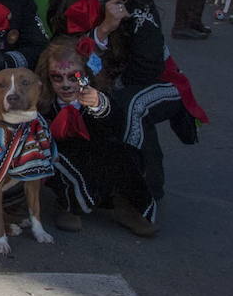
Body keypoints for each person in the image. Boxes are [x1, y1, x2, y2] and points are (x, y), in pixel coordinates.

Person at [47, 0, 208, 200]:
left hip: (156, 81)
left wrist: (108, 91)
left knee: (128, 105)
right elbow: (61, 46)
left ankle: (142, 194)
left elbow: (149, 63)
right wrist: (104, 29)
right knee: (59, 95)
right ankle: (79, 187)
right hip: (94, 77)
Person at [38, 37, 158, 236]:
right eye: (57, 77)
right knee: (56, 160)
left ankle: (126, 206)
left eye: (73, 77)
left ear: (85, 75)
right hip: (61, 154)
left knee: (125, 154)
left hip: (94, 149)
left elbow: (116, 123)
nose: (66, 85)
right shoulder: (44, 103)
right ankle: (68, 205)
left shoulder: (95, 96)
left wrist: (99, 105)